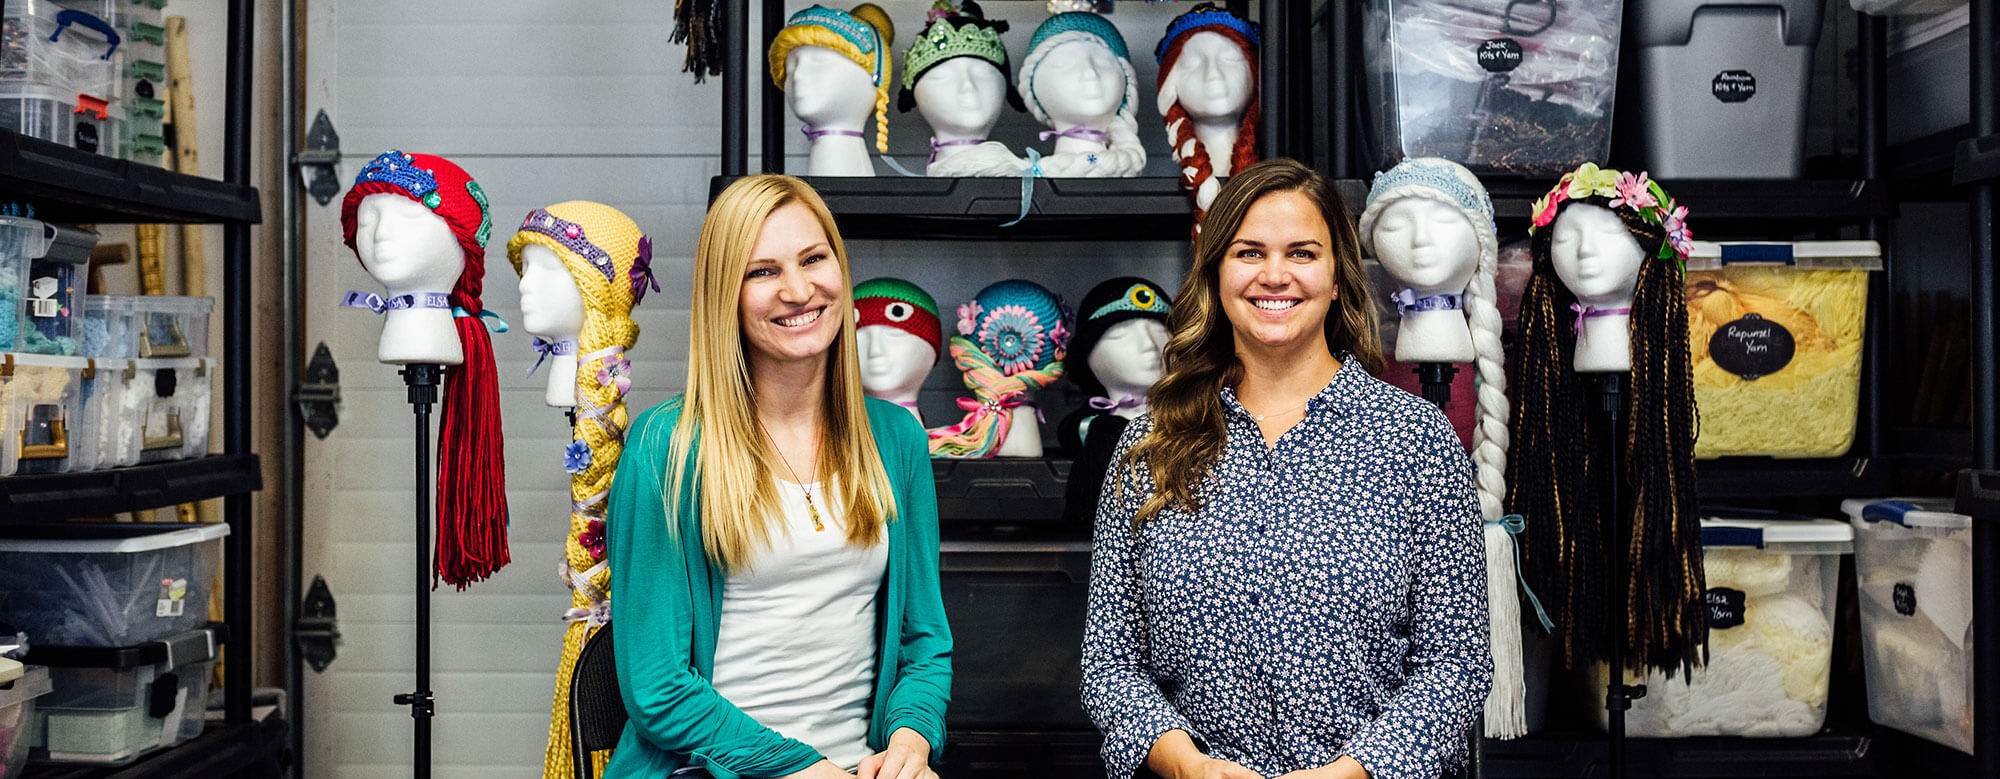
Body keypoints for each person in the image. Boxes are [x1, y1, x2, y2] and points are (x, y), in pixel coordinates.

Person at [1080, 158, 1491, 779]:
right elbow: (1111, 658)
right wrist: (1186, 764)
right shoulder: (1151, 443)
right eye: (1249, 252)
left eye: (1302, 253)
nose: (1275, 276)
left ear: (1336, 277)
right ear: (1216, 274)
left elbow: (1456, 660)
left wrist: (1352, 772)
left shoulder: (1414, 440)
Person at [605, 174, 951, 779]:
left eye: (813, 259)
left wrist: (910, 743)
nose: (799, 290)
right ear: (725, 296)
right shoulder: (670, 447)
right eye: (762, 272)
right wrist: (803, 770)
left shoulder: (896, 439)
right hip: (717, 769)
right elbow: (657, 686)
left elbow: (924, 641)